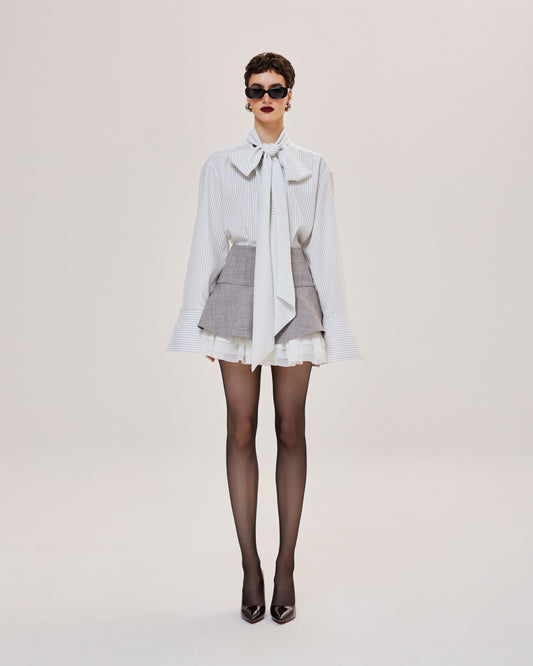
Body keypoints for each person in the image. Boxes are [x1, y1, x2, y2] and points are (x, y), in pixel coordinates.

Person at [166, 52, 362, 624]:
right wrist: (196, 319)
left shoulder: (314, 167)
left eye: (276, 89)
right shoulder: (220, 165)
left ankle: (286, 566)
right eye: (257, 89)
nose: (267, 98)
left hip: (296, 293)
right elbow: (206, 240)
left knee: (291, 429)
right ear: (246, 97)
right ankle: (249, 565)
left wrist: (333, 327)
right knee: (240, 428)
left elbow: (324, 247)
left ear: (291, 95)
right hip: (237, 291)